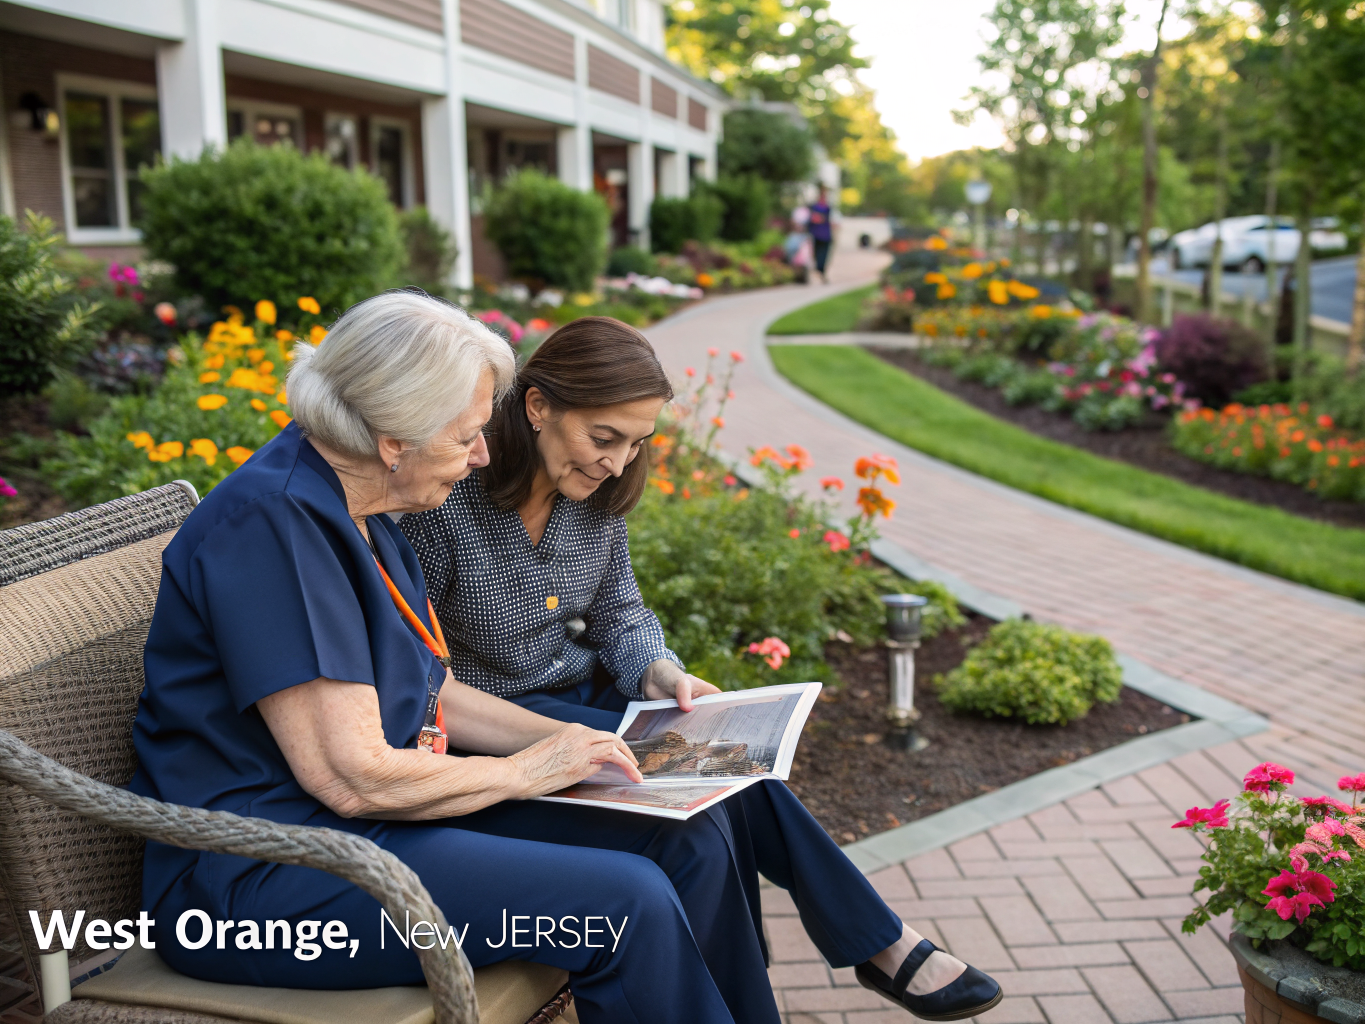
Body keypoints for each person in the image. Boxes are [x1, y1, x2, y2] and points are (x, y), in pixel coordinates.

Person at [127, 291, 997, 1024]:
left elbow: (437, 696)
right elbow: (351, 778)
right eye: (466, 435)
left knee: (687, 832)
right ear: (393, 434)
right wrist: (533, 768)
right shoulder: (273, 526)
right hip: (263, 879)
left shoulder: (366, 509)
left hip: (376, 824)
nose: (479, 454)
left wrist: (603, 752)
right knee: (627, 905)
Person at [400, 316, 1003, 1021]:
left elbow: (621, 615)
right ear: (538, 407)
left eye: (635, 444)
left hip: (586, 694)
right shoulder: (445, 507)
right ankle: (880, 945)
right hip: (497, 723)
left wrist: (661, 674)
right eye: (604, 438)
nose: (619, 463)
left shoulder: (594, 501)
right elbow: (425, 677)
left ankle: (874, 944)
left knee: (735, 764)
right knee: (707, 808)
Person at [809, 184, 835, 283]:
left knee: (823, 254)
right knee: (817, 254)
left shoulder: (827, 208)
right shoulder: (816, 207)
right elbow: (814, 219)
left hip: (825, 234)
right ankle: (820, 270)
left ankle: (821, 271)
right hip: (817, 234)